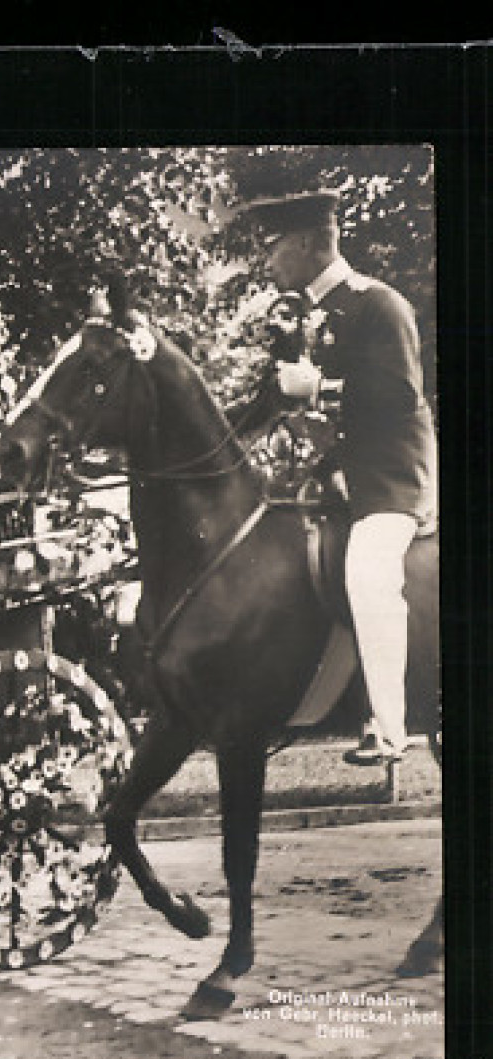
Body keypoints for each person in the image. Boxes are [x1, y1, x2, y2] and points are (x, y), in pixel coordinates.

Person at [238, 188, 438, 767]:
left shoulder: (380, 304)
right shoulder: (300, 315)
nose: (267, 261)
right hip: (329, 481)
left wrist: (319, 388)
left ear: (305, 243)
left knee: (371, 577)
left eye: (273, 248)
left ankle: (391, 728)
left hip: (389, 479)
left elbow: (401, 394)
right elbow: (271, 403)